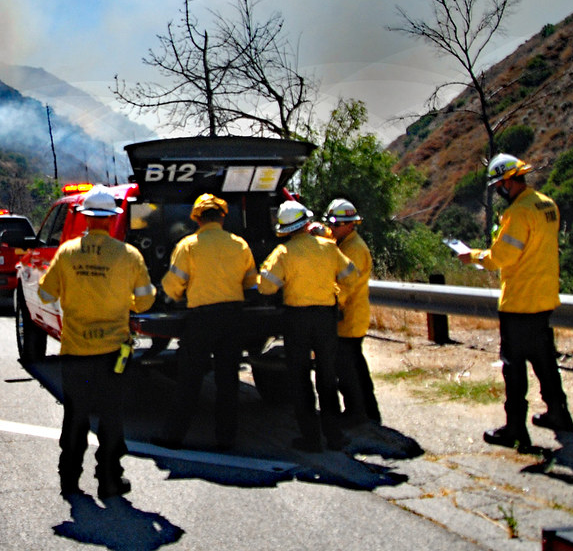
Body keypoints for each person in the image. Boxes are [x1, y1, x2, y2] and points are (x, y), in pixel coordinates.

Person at [37, 186, 156, 499]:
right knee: (111, 416)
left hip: (75, 351)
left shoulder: (66, 252)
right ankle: (109, 479)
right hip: (113, 352)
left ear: (86, 217)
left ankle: (69, 480)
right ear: (113, 217)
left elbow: (46, 294)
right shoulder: (129, 256)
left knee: (75, 415)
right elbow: (144, 302)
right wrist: (124, 300)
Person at [456, 153, 573, 449]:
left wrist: (472, 256)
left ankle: (515, 428)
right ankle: (559, 413)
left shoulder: (518, 213)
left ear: (509, 182)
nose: (499, 190)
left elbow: (501, 258)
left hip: (520, 301)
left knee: (514, 367)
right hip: (544, 296)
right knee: (545, 360)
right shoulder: (547, 204)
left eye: (500, 185)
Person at [155, 193, 258, 451]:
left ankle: (173, 438)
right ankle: (226, 440)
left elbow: (173, 284)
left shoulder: (188, 246)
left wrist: (170, 298)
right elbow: (251, 283)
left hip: (200, 320)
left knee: (189, 380)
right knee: (228, 381)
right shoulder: (240, 245)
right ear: (223, 217)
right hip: (233, 318)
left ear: (197, 219)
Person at [259, 200, 356, 452]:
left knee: (300, 378)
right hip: (326, 317)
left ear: (285, 228)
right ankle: (334, 436)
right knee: (327, 376)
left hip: (297, 319)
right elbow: (351, 275)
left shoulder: (283, 253)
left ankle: (310, 439)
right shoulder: (329, 248)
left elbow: (266, 286)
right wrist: (336, 293)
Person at [322, 198, 381, 427]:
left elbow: (347, 284)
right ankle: (367, 412)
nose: (332, 229)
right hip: (350, 318)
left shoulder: (354, 249)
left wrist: (333, 304)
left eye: (335, 225)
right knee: (354, 366)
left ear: (349, 225)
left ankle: (358, 413)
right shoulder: (345, 243)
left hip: (350, 317)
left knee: (349, 370)